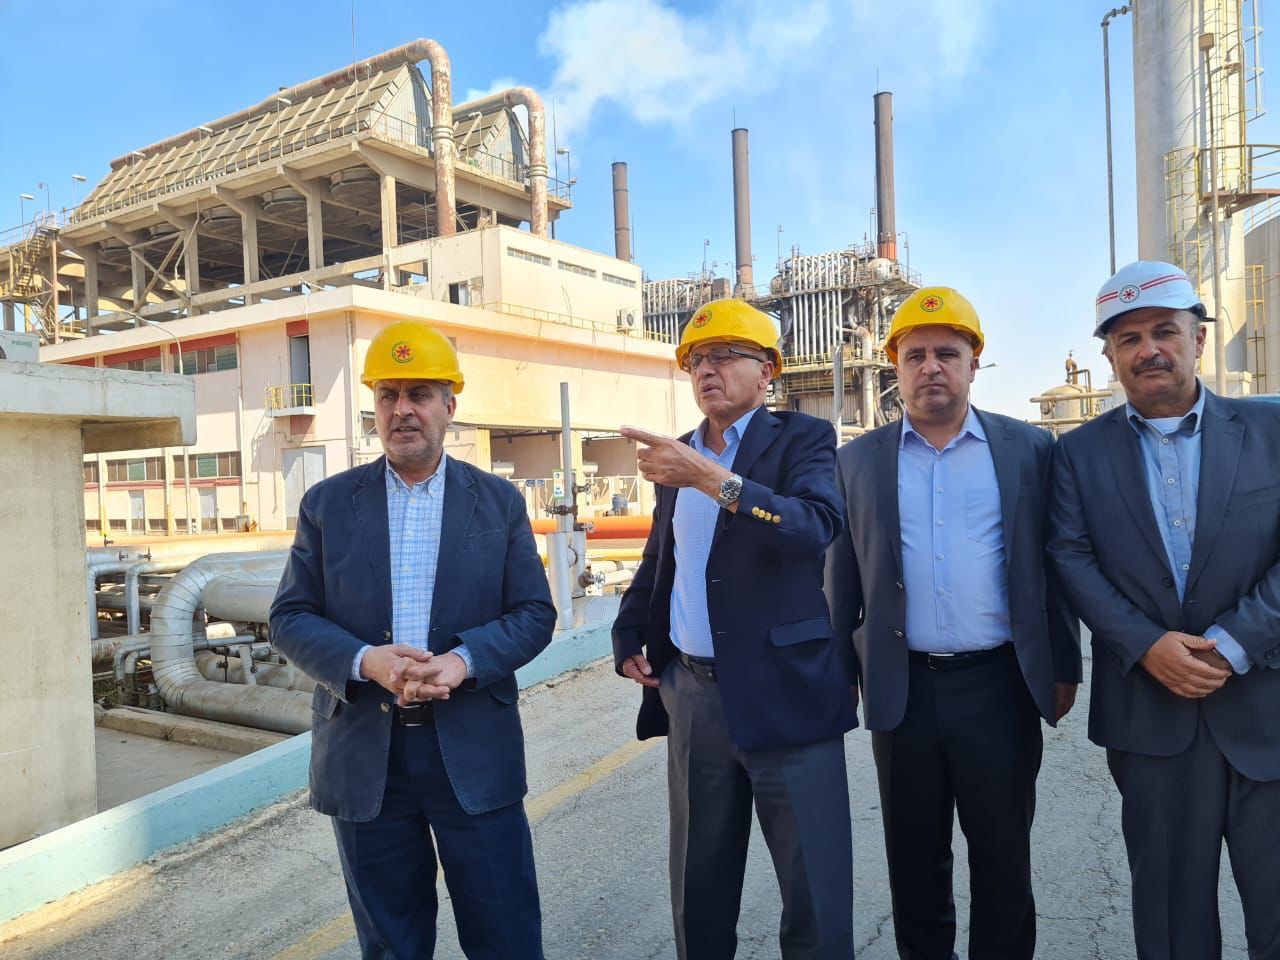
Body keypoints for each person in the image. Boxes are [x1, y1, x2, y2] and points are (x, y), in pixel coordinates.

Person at [270, 319, 555, 959]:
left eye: (420, 394)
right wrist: (365, 660)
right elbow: (290, 616)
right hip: (368, 756)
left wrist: (463, 660)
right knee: (391, 943)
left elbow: (534, 613)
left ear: (449, 406)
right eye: (388, 395)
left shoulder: (498, 502)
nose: (403, 410)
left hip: (471, 750)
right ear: (375, 407)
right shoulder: (327, 504)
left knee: (505, 935)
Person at [824, 286, 1081, 960]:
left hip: (998, 685)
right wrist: (842, 675)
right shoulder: (857, 461)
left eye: (947, 352)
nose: (931, 366)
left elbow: (1052, 566)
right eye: (915, 355)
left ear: (974, 363)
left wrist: (1063, 664)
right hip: (902, 690)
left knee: (1003, 860)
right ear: (896, 367)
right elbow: (842, 578)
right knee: (915, 864)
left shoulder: (1028, 449)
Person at [1048, 260, 1280, 960]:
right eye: (1129, 338)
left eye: (1164, 331)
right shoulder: (1077, 454)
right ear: (1110, 356)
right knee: (1173, 921)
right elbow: (1070, 558)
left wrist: (1235, 641)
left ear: (1198, 339)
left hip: (1266, 708)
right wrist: (1147, 644)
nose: (1148, 349)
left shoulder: (1271, 429)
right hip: (1151, 718)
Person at [613, 298, 856, 960]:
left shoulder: (803, 439)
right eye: (696, 360)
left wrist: (712, 479)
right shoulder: (679, 457)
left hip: (788, 695)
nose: (706, 369)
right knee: (700, 889)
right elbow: (663, 557)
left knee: (814, 895)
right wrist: (629, 634)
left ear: (767, 370)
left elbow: (814, 527)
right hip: (694, 698)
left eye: (724, 355)